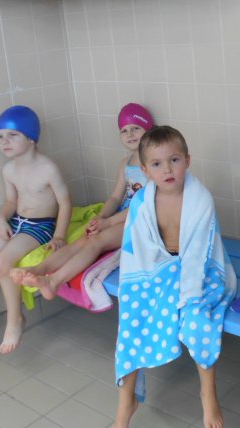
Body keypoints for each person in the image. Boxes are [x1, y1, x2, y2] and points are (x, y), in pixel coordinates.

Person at [109, 126, 237, 428]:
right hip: (158, 268)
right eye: (157, 163)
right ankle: (126, 401)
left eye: (174, 160)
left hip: (201, 269)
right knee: (133, 319)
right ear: (144, 170)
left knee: (197, 321)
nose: (167, 169)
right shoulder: (141, 201)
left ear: (187, 161)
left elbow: (199, 254)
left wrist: (186, 296)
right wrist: (149, 285)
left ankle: (208, 392)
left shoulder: (199, 199)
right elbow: (138, 250)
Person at [10, 103, 154, 299]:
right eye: (124, 130)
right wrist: (100, 217)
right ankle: (39, 269)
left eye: (136, 128)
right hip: (121, 216)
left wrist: (108, 223)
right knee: (82, 240)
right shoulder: (125, 164)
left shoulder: (154, 164)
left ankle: (54, 281)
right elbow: (115, 197)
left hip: (140, 220)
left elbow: (144, 205)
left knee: (96, 241)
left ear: (149, 129)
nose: (130, 134)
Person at [0, 105, 72, 354]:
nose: (4, 142)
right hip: (17, 221)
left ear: (31, 137)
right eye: (0, 136)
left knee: (2, 263)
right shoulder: (9, 169)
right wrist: (1, 219)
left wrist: (59, 235)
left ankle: (15, 320)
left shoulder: (48, 168)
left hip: (41, 226)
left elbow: (65, 202)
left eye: (12, 135)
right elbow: (11, 201)